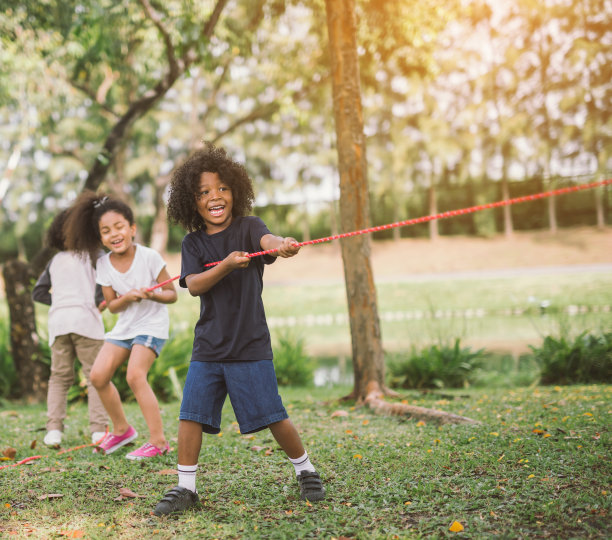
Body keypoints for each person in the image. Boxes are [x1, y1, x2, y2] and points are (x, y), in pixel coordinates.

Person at [153, 143, 325, 516]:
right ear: (192, 202)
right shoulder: (194, 242)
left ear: (235, 192)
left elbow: (268, 241)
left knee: (273, 414)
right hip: (209, 347)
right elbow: (194, 284)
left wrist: (282, 245)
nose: (214, 197)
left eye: (222, 188)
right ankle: (186, 488)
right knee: (190, 414)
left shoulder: (250, 228)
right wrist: (227, 265)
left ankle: (306, 470)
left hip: (249, 344)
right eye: (203, 192)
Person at [63, 191, 177, 460]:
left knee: (135, 376)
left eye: (119, 227)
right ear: (100, 238)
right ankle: (122, 429)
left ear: (132, 229)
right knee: (98, 376)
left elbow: (171, 294)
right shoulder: (103, 264)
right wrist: (127, 297)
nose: (114, 234)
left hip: (151, 324)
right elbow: (112, 305)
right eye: (106, 231)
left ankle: (159, 442)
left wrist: (152, 294)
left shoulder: (149, 257)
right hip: (125, 326)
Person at [32, 209, 108, 447]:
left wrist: (62, 302)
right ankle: (98, 430)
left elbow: (38, 292)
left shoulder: (54, 261)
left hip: (59, 324)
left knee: (59, 378)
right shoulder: (95, 255)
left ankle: (53, 429)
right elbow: (104, 287)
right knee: (96, 376)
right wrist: (97, 303)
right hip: (86, 322)